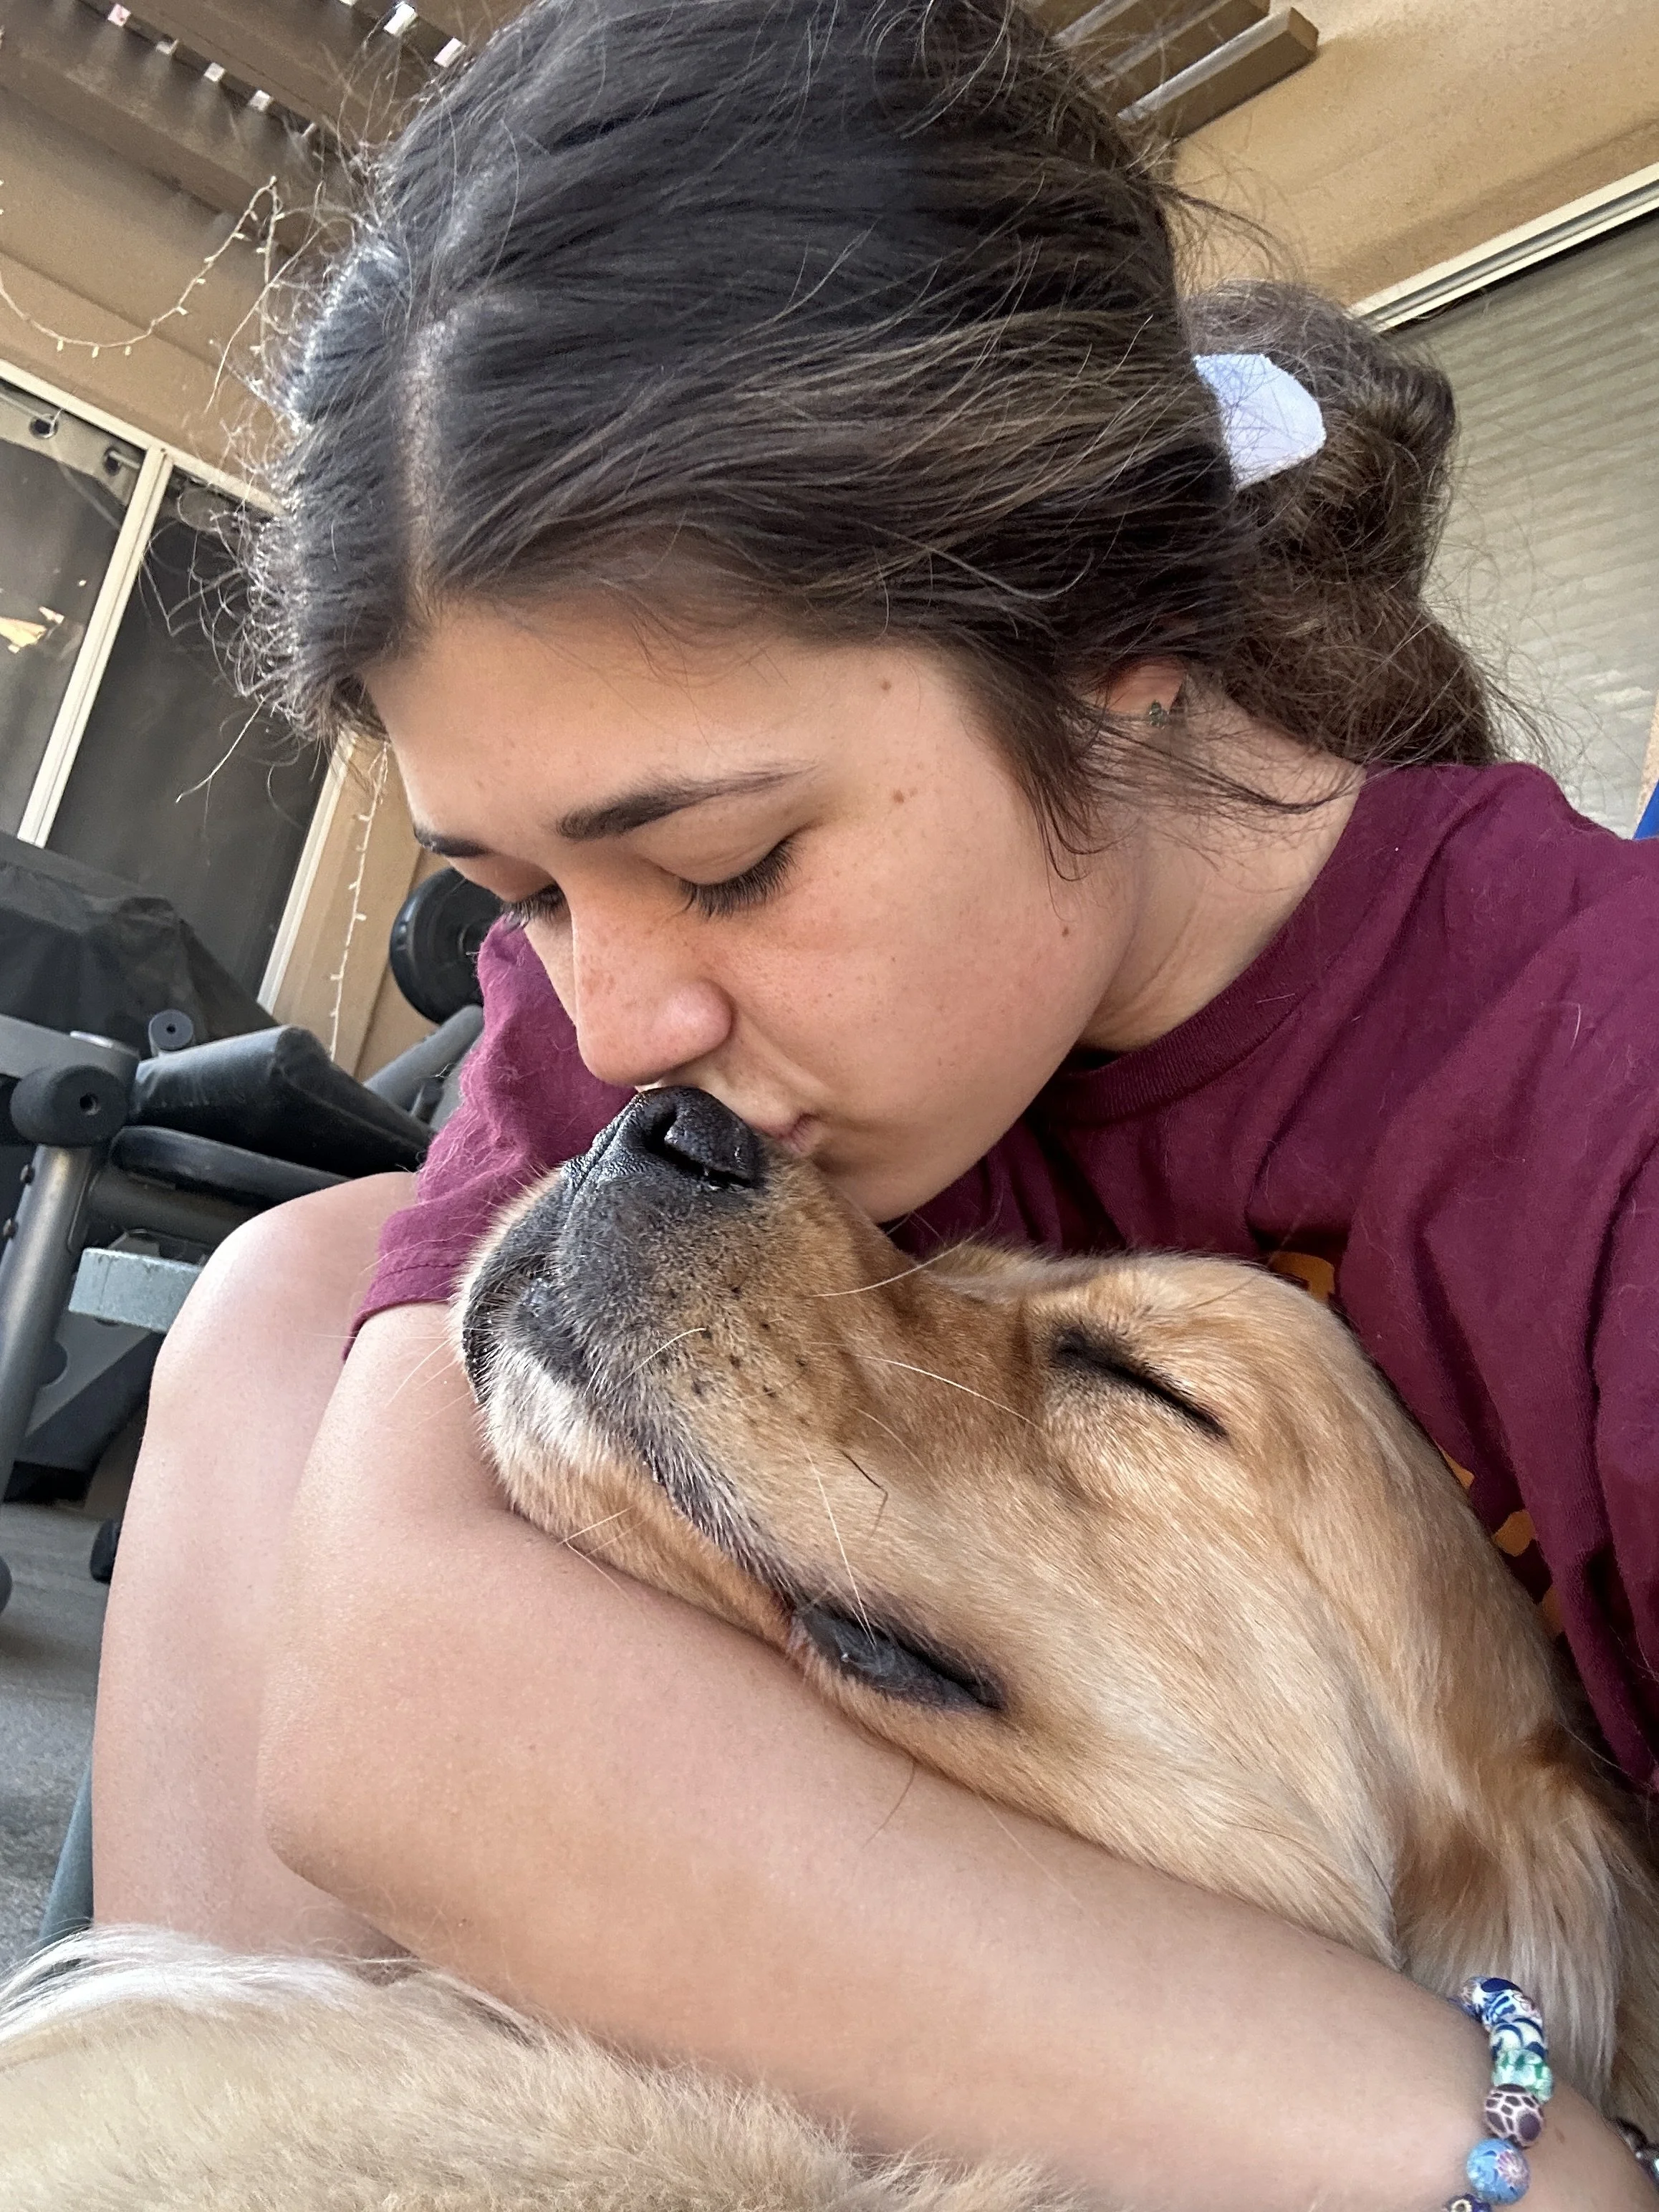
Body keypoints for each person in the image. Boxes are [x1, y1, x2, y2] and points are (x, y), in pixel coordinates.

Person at [92, 0, 1659, 2203]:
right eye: (514, 890)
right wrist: (1494, 2154)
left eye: (729, 864)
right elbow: (383, 1726)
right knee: (300, 1302)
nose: (611, 1017)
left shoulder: (1601, 1117)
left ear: (1120, 626)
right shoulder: (653, 993)